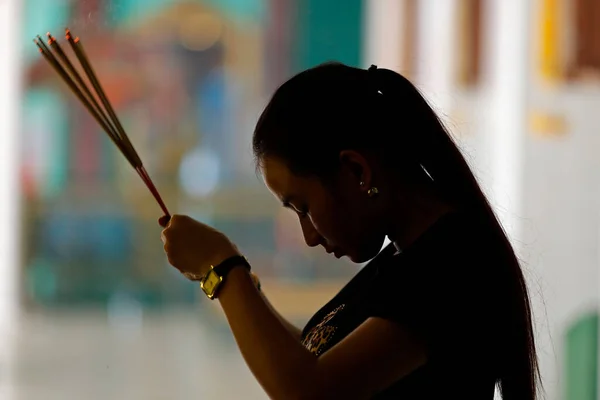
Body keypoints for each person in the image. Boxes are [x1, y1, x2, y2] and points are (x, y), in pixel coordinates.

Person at [159, 62, 540, 399]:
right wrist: (234, 280)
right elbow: (316, 354)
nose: (308, 236)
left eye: (303, 208)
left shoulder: (450, 266)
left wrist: (223, 270)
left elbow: (311, 390)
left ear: (357, 171)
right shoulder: (408, 256)